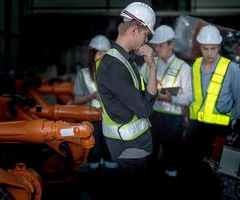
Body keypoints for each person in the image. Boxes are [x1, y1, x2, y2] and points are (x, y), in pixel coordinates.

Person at [95, 2, 157, 199]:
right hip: (128, 148)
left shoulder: (126, 60)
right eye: (145, 35)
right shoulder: (113, 66)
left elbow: (147, 95)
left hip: (136, 145)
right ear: (134, 30)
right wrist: (148, 98)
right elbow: (146, 108)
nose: (145, 40)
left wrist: (152, 67)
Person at [182, 24, 240, 199]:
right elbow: (191, 95)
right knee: (190, 168)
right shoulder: (194, 66)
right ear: (200, 47)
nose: (209, 53)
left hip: (220, 129)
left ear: (218, 47)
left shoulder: (231, 69)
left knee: (218, 174)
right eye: (205, 49)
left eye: (213, 49)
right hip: (196, 127)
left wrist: (235, 124)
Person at [140, 25, 192, 177]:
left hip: (173, 121)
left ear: (172, 44)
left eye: (161, 46)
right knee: (149, 158)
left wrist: (172, 98)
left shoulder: (184, 68)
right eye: (155, 46)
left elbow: (190, 97)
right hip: (152, 118)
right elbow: (138, 85)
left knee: (172, 160)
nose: (157, 49)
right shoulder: (149, 63)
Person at [73, 34, 117, 175]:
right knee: (94, 154)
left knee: (111, 155)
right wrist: (92, 95)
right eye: (99, 53)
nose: (102, 56)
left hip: (111, 120)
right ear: (92, 54)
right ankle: (95, 186)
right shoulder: (83, 74)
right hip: (92, 122)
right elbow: (76, 100)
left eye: (105, 53)